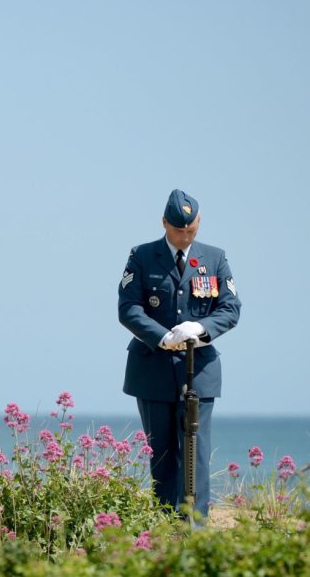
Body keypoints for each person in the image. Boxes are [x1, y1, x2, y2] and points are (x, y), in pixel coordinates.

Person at [118, 189, 241, 517]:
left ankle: (195, 529)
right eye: (178, 231)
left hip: (198, 369)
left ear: (199, 223)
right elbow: (128, 308)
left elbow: (230, 309)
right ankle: (165, 527)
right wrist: (163, 337)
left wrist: (200, 330)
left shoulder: (214, 258)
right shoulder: (142, 256)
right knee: (161, 453)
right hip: (153, 369)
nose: (185, 237)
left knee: (195, 454)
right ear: (163, 223)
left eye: (191, 230)